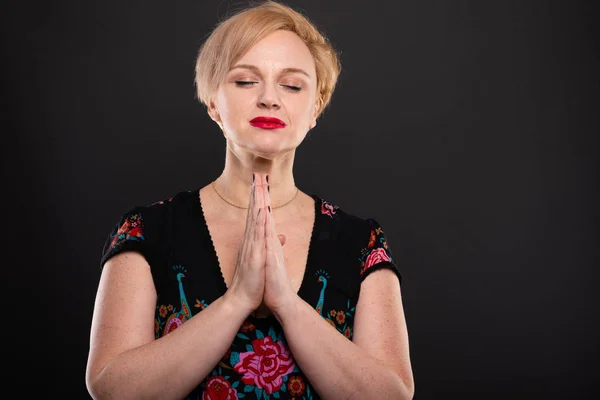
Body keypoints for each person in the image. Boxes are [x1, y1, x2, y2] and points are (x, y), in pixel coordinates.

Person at [85, 1, 414, 399]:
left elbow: (393, 395)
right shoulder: (146, 231)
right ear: (212, 102)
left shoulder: (362, 242)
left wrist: (286, 306)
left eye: (292, 85)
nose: (269, 99)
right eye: (245, 81)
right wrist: (237, 300)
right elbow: (111, 389)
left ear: (316, 108)